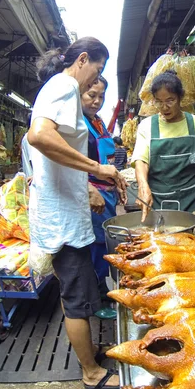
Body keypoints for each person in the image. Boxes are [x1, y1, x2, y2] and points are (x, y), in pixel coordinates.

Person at [27, 37, 126, 389]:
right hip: (62, 221)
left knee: (80, 293)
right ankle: (91, 374)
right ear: (83, 60)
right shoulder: (65, 86)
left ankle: (90, 353)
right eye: (96, 70)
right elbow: (38, 136)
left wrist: (87, 180)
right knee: (76, 300)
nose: (94, 81)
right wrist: (97, 169)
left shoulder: (59, 88)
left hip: (64, 214)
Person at [131, 70, 195, 221]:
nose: (164, 107)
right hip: (159, 200)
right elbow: (141, 160)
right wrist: (143, 186)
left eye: (170, 100)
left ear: (181, 98)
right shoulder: (147, 125)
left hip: (192, 198)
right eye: (159, 101)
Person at [81, 76, 119, 319]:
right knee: (95, 248)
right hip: (91, 195)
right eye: (91, 94)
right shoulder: (77, 123)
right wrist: (90, 189)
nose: (96, 101)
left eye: (101, 96)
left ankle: (103, 291)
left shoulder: (98, 122)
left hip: (107, 194)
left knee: (104, 244)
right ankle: (95, 302)